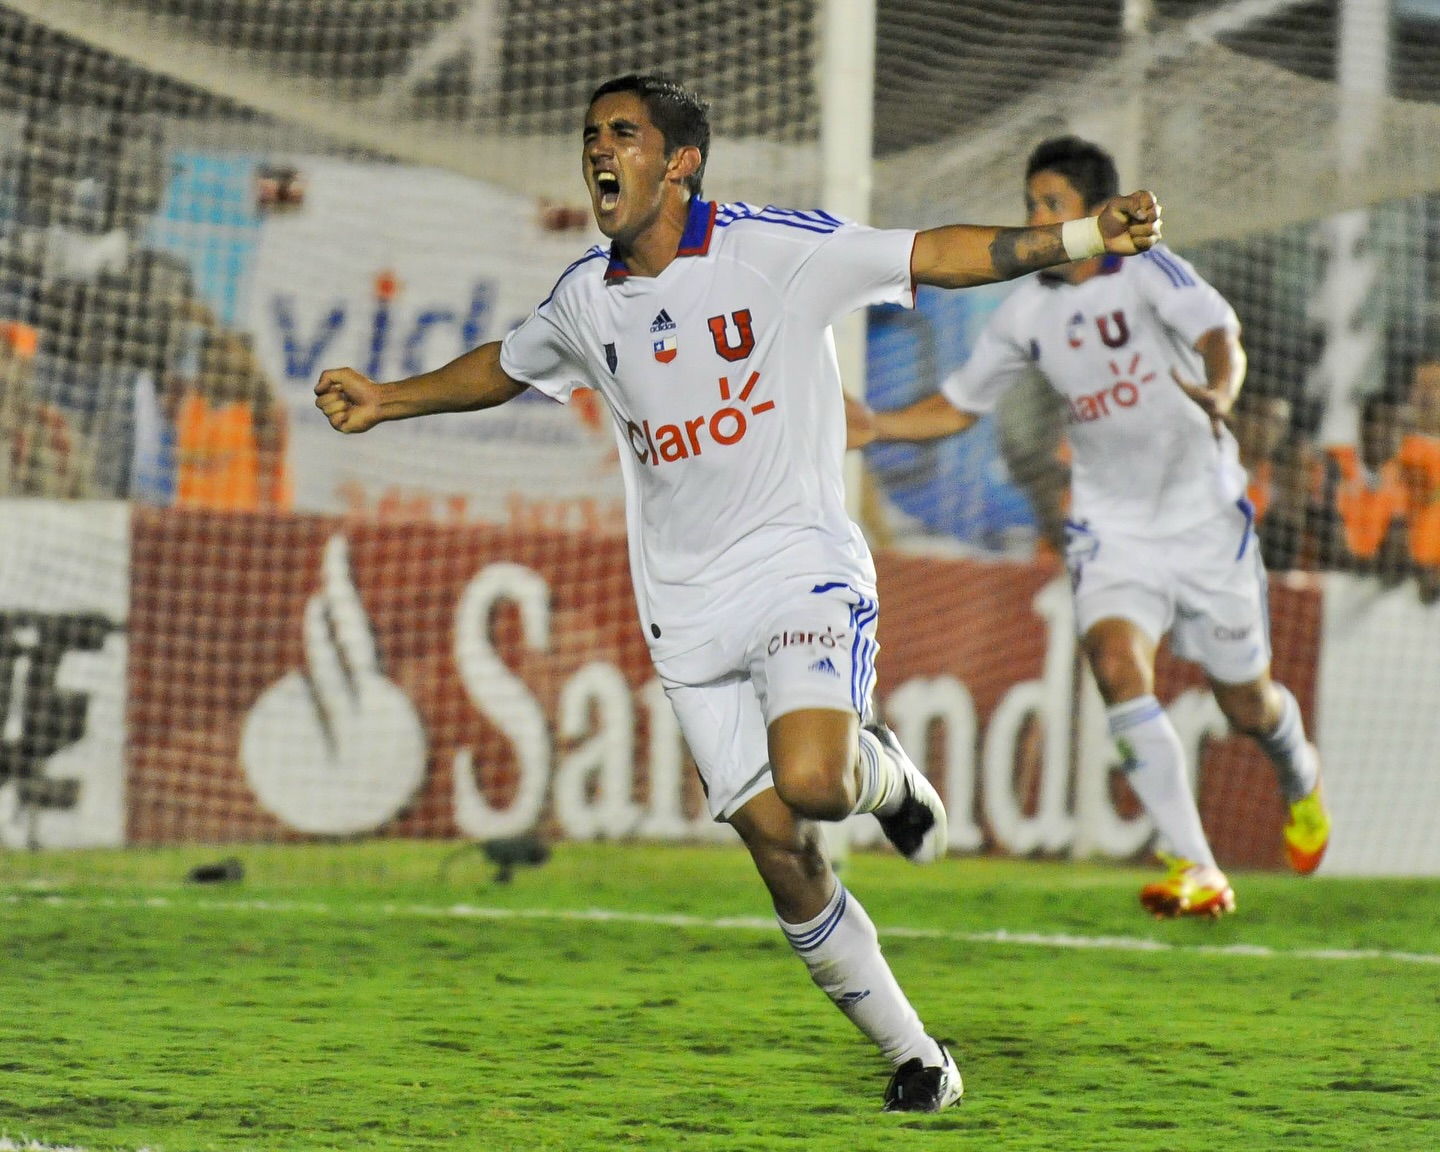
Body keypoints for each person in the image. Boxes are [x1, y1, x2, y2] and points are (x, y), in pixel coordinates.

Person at [315, 76, 1161, 1111]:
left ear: (680, 163)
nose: (598, 151)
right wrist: (388, 399)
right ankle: (920, 1058)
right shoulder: (587, 297)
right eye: (590, 136)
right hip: (686, 613)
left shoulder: (773, 251)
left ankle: (883, 778)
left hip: (797, 566)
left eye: (623, 134)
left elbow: (932, 254)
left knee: (812, 780)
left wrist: (1082, 241)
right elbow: (509, 363)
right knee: (782, 853)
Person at [848, 136, 1331, 919]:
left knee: (1247, 707)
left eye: (1052, 205)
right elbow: (960, 403)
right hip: (1111, 524)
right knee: (1113, 661)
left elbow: (1221, 336)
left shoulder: (1144, 268)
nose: (1036, 218)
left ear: (1097, 213)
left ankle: (1298, 770)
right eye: (1031, 204)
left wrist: (1220, 389)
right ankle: (1197, 867)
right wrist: (874, 427)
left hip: (1204, 520)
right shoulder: (1025, 310)